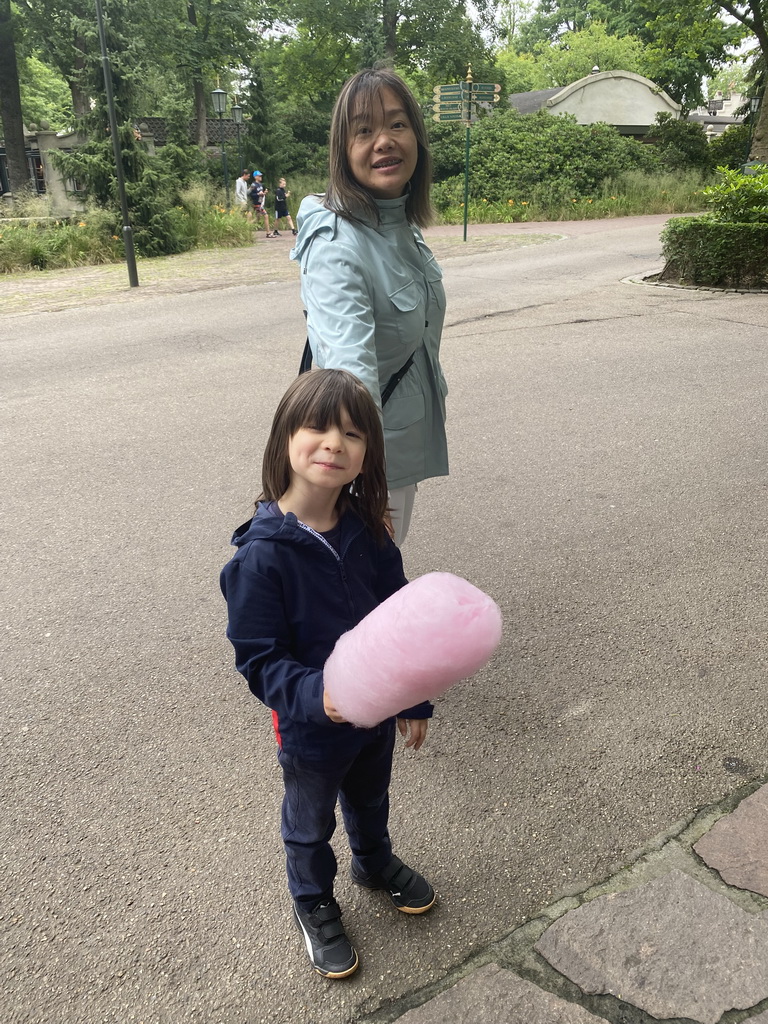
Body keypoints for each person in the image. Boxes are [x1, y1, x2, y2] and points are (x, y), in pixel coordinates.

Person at [220, 368, 435, 979]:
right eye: (316, 426)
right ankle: (312, 900)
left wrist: (414, 698)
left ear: (368, 454)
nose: (333, 443)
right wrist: (320, 696)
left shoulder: (370, 534)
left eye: (351, 433)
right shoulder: (260, 559)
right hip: (312, 728)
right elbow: (259, 660)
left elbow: (403, 620)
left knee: (370, 797)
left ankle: (372, 861)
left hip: (376, 716)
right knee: (309, 821)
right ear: (284, 440)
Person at [290, 68, 448, 547]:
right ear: (344, 150)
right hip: (367, 462)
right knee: (360, 601)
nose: (384, 141)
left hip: (399, 445)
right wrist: (368, 481)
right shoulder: (338, 241)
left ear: (417, 139)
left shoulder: (400, 225)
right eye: (364, 130)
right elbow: (350, 373)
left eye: (397, 125)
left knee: (368, 592)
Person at [249, 170, 277, 238]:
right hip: (256, 203)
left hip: (260, 203)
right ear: (255, 177)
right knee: (266, 216)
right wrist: (258, 194)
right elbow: (250, 194)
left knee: (257, 218)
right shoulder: (253, 185)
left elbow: (261, 194)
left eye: (261, 175)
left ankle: (247, 226)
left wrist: (264, 193)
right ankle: (268, 233)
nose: (260, 177)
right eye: (259, 176)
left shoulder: (260, 185)